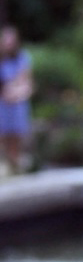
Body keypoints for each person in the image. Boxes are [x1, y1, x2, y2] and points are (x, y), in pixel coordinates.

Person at [0, 25, 33, 174]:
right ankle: (9, 164)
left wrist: (15, 92)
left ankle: (16, 165)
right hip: (3, 102)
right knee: (4, 135)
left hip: (17, 101)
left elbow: (26, 81)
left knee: (16, 136)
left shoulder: (22, 57)